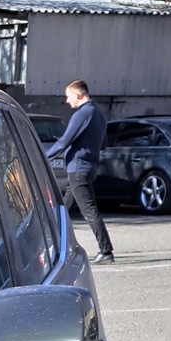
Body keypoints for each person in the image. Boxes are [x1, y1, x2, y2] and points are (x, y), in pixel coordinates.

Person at [45, 80, 115, 265]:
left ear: (78, 95)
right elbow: (103, 144)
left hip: (78, 169)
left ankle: (106, 251)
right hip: (89, 167)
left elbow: (63, 142)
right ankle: (55, 249)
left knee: (89, 211)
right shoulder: (99, 115)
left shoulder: (82, 114)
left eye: (69, 97)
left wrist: (42, 158)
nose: (68, 101)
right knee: (63, 210)